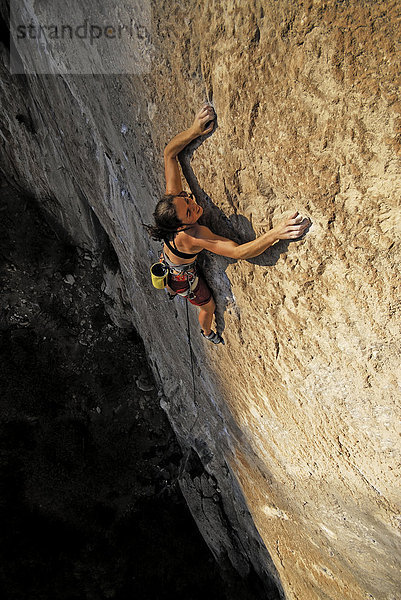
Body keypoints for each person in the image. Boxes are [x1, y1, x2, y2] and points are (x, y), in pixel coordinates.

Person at [146, 104, 310, 344]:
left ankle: (172, 290)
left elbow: (170, 153)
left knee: (183, 278)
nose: (194, 206)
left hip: (172, 260)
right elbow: (238, 252)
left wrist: (194, 130)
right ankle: (207, 333)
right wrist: (275, 233)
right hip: (183, 277)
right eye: (190, 213)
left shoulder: (174, 203)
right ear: (181, 227)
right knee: (207, 306)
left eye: (187, 201)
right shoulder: (194, 235)